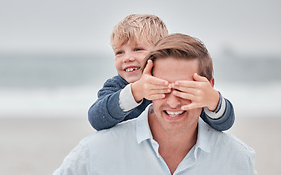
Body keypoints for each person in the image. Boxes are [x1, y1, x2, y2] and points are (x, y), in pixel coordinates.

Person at [27, 33, 259, 175]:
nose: (173, 101)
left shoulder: (236, 160)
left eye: (185, 89)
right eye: (162, 87)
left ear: (209, 88)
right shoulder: (97, 151)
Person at [88, 14, 235, 132]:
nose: (127, 58)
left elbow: (224, 124)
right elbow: (96, 119)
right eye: (119, 52)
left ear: (159, 52)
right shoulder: (116, 85)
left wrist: (213, 101)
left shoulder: (177, 86)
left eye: (137, 49)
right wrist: (136, 91)